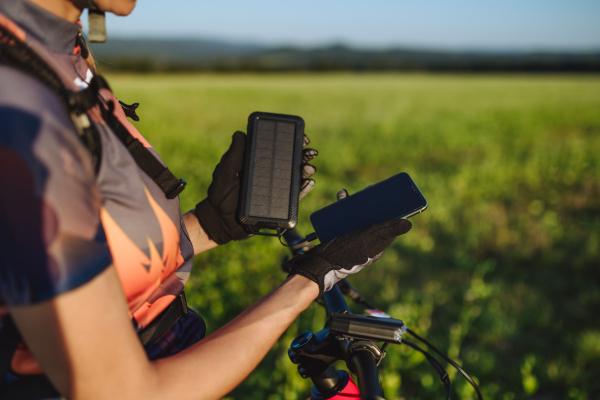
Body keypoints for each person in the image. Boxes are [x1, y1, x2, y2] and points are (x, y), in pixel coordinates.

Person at [0, 0, 413, 398]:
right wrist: (310, 280)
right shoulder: (20, 110)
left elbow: (98, 256)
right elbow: (123, 392)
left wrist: (212, 223)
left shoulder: (60, 57)